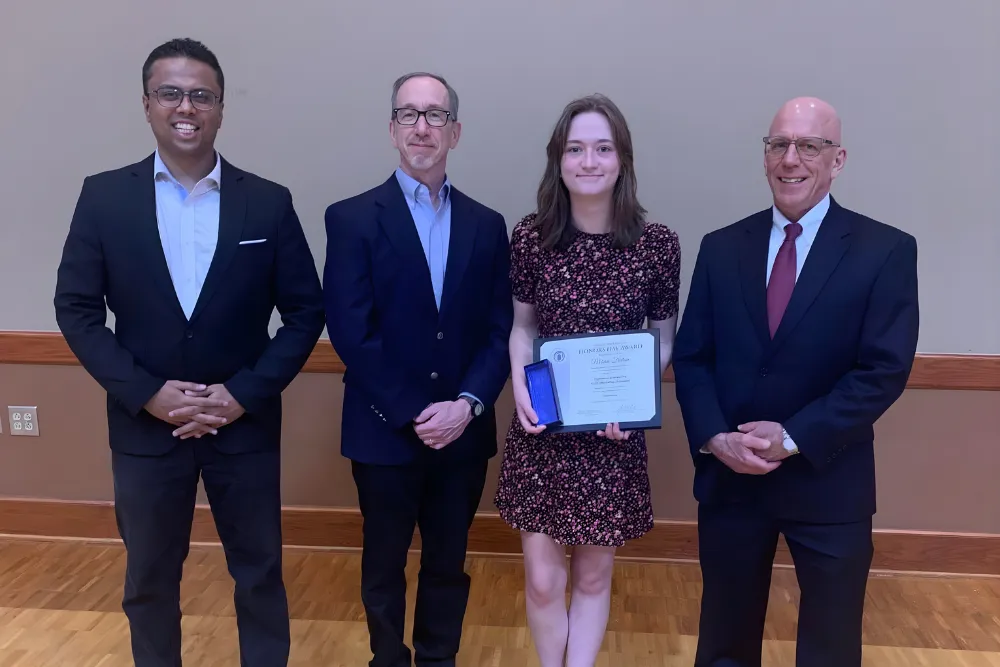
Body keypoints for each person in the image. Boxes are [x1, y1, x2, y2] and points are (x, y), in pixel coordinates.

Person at [52, 38, 325, 666]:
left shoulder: (268, 202)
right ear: (147, 105)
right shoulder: (104, 198)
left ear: (221, 109)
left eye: (201, 95)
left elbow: (307, 312)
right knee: (149, 582)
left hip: (244, 426)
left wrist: (241, 394)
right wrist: (147, 393)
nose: (186, 106)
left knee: (259, 576)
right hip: (146, 429)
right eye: (170, 93)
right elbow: (77, 309)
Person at [672, 97, 919, 667]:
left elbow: (883, 370)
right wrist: (714, 438)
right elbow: (692, 358)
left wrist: (792, 436)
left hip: (829, 481)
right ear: (765, 157)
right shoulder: (721, 246)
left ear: (837, 160)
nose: (791, 159)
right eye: (778, 144)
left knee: (830, 648)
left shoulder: (885, 251)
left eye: (809, 146)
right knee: (724, 645)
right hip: (733, 481)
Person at [322, 72, 513, 667]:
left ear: (454, 132)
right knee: (383, 563)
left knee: (447, 565)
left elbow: (498, 328)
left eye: (435, 115)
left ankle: (438, 658)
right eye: (409, 115)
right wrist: (412, 411)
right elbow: (353, 332)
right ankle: (387, 658)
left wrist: (467, 405)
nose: (422, 126)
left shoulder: (487, 224)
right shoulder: (351, 219)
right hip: (383, 431)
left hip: (462, 430)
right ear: (393, 130)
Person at [493, 94, 681, 667]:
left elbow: (663, 336)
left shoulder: (657, 245)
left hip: (612, 435)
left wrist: (637, 395)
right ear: (559, 159)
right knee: (545, 580)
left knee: (595, 576)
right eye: (575, 148)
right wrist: (521, 385)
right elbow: (523, 327)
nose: (589, 160)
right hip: (543, 428)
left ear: (622, 158)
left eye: (602, 148)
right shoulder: (531, 238)